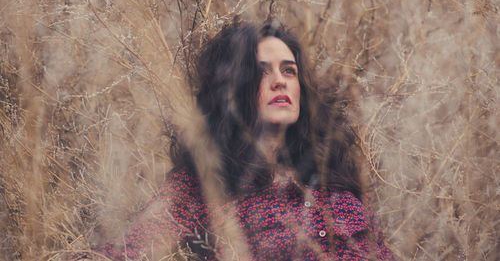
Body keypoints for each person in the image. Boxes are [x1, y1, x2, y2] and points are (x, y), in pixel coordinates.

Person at [82, 20, 395, 260]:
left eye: (289, 71)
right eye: (262, 72)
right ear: (233, 90)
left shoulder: (332, 177)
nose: (279, 82)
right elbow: (125, 251)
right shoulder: (201, 186)